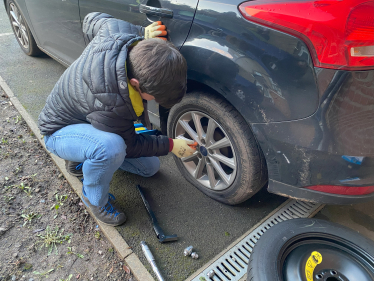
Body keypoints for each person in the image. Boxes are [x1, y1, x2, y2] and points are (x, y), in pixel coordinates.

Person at [38, 12, 196, 226]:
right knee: (111, 148)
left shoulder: (118, 32)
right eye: (155, 98)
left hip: (89, 117)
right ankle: (94, 198)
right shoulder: (113, 104)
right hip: (58, 131)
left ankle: (79, 161)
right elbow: (129, 147)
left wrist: (142, 32)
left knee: (149, 168)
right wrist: (170, 144)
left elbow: (91, 19)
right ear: (135, 84)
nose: (156, 102)